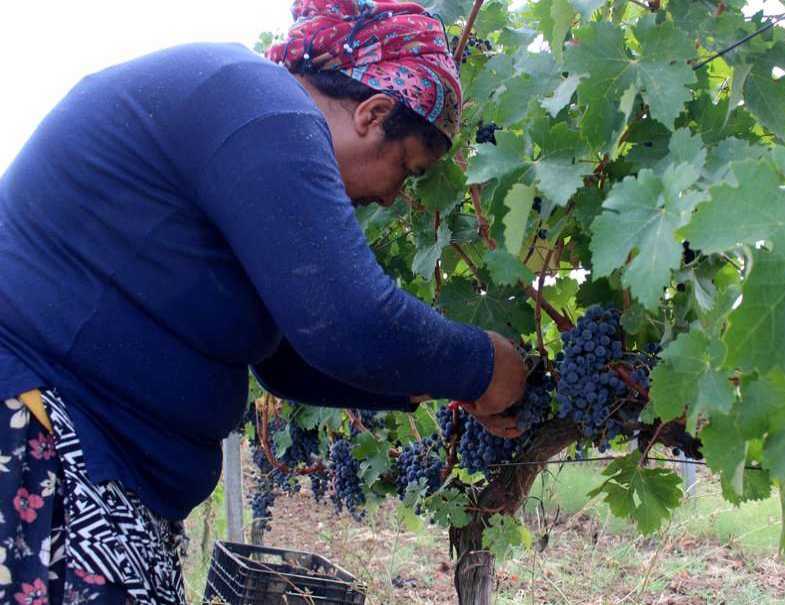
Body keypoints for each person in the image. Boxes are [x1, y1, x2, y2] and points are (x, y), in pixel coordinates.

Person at [0, 0, 527, 602]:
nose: (391, 198)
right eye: (405, 169)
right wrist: (484, 364)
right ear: (373, 113)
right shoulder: (265, 107)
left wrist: (438, 386)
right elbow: (349, 321)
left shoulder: (250, 133)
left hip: (92, 469)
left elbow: (285, 362)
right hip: (43, 448)